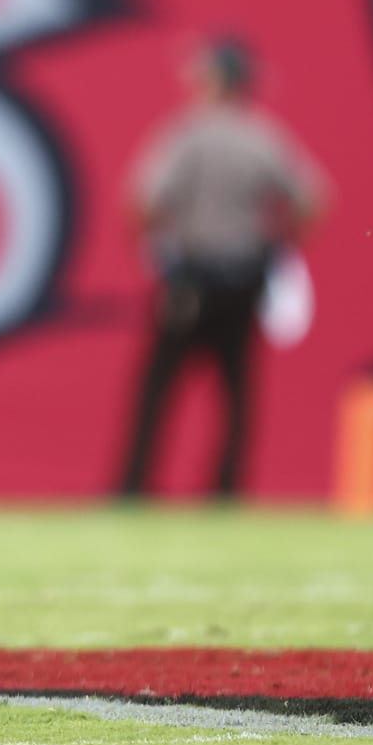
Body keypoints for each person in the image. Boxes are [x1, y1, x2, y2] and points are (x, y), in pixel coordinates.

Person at [118, 38, 322, 499]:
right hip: (246, 276)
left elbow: (144, 200)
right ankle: (227, 488)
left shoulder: (188, 135)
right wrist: (279, 243)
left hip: (191, 278)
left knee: (159, 385)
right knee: (236, 389)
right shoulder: (262, 137)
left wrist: (155, 246)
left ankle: (135, 485)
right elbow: (312, 200)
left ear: (218, 81)